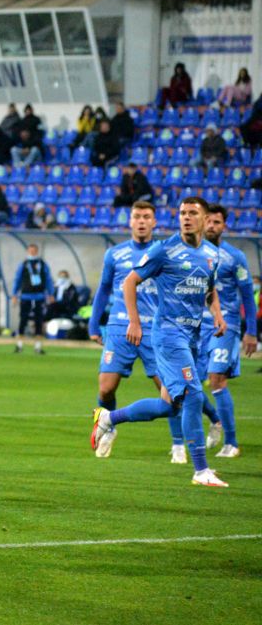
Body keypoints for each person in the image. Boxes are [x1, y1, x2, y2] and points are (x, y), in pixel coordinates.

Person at [90, 198, 229, 487]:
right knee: (191, 393)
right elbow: (129, 282)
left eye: (193, 213)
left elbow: (209, 288)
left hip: (191, 336)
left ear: (205, 219)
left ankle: (109, 418)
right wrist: (135, 321)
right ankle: (201, 469)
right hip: (167, 335)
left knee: (170, 405)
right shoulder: (164, 249)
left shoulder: (211, 254)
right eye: (182, 213)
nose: (186, 218)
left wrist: (217, 314)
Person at [87, 202, 169, 458]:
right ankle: (108, 426)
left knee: (168, 392)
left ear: (154, 221)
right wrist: (93, 322)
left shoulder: (163, 252)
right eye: (137, 217)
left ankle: (178, 445)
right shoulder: (115, 253)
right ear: (130, 221)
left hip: (154, 329)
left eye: (147, 217)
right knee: (105, 388)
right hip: (120, 326)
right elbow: (103, 289)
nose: (142, 221)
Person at [199, 204, 257, 459]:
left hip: (227, 325)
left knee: (216, 379)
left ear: (224, 226)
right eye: (208, 221)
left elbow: (247, 296)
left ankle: (231, 443)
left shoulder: (235, 257)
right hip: (195, 325)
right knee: (185, 384)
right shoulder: (192, 254)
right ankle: (215, 420)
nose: (212, 226)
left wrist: (251, 332)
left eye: (217, 222)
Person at [12, 244, 54, 354]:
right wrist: (14, 294)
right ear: (27, 251)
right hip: (26, 296)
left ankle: (38, 346)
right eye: (31, 250)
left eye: (34, 251)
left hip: (39, 296)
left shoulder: (42, 264)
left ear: (37, 251)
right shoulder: (24, 264)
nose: (33, 252)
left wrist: (51, 293)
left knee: (39, 321)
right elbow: (17, 279)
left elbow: (49, 279)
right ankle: (19, 345)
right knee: (23, 319)